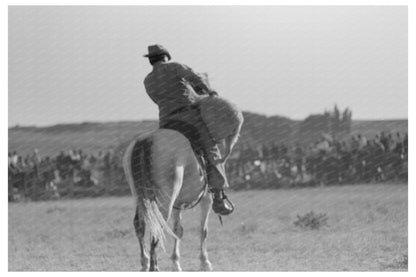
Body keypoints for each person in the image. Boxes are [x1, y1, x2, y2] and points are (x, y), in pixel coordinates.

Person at [143, 44, 233, 215]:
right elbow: (195, 78)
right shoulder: (175, 67)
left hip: (166, 122)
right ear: (166, 57)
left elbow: (156, 99)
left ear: (151, 61)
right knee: (211, 149)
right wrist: (208, 91)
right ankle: (219, 196)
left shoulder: (147, 80)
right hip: (188, 118)